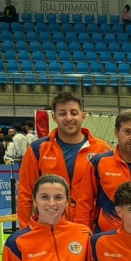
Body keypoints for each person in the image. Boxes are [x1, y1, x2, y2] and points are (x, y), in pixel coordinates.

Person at [17, 92, 111, 226]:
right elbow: (25, 194)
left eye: (74, 113)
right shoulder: (38, 149)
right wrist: (25, 230)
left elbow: (110, 193)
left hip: (89, 227)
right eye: (62, 113)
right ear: (54, 117)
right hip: (49, 225)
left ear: (83, 116)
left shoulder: (102, 150)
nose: (69, 118)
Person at [86, 109, 131, 232]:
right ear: (116, 132)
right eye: (127, 131)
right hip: (107, 238)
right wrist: (84, 234)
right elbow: (85, 204)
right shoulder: (99, 162)